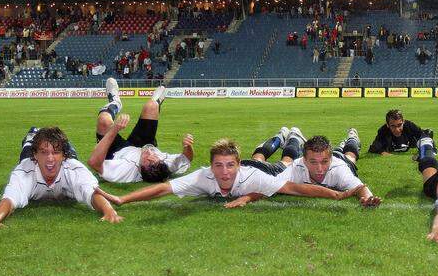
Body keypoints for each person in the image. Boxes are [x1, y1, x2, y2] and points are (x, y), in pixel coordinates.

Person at [97, 138, 362, 209]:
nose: (224, 172)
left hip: (267, 169)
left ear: (237, 165)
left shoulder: (251, 177)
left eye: (230, 165)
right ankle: (284, 137)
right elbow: (163, 189)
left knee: (282, 163)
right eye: (219, 166)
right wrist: (123, 199)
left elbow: (294, 188)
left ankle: (289, 136)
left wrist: (334, 196)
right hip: (262, 164)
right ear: (211, 166)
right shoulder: (203, 177)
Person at [0, 126, 122, 230]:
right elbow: (10, 198)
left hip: (68, 159)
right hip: (30, 160)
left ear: (63, 155)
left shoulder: (73, 168)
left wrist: (109, 211)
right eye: (43, 152)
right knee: (28, 148)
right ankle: (31, 136)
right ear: (35, 155)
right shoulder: (24, 170)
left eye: (56, 152)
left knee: (62, 149)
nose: (50, 159)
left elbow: (91, 192)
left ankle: (56, 144)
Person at [87, 78, 193, 183]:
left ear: (140, 168)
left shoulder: (125, 170)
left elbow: (93, 163)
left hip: (118, 152)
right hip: (142, 144)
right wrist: (187, 147)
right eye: (155, 157)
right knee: (151, 106)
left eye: (147, 159)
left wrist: (115, 129)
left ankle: (115, 102)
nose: (150, 153)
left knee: (104, 120)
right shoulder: (164, 165)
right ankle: (156, 103)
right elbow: (186, 158)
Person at [250, 127, 381, 207]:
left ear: (330, 160)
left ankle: (352, 137)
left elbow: (360, 187)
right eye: (313, 162)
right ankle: (340, 145)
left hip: (340, 159)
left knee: (350, 157)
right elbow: (271, 185)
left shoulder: (339, 168)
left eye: (324, 162)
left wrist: (368, 198)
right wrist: (247, 197)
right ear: (304, 160)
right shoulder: (297, 166)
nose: (319, 168)